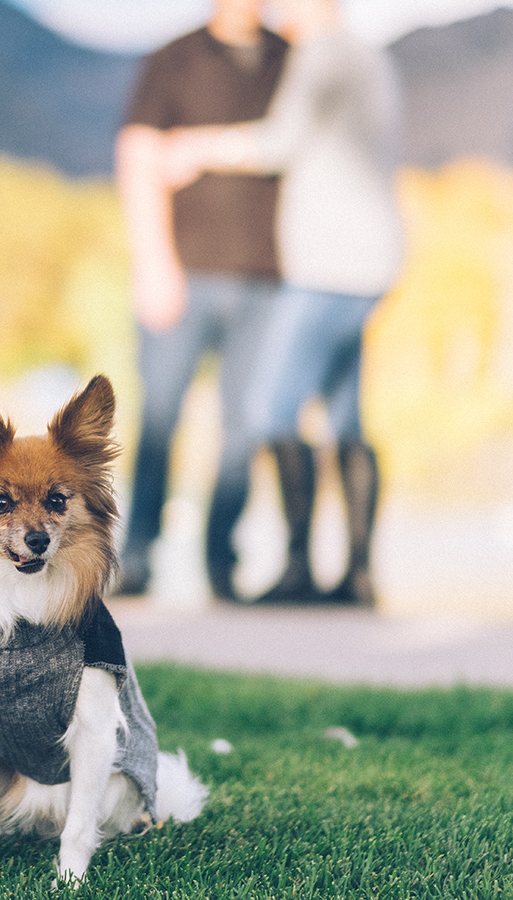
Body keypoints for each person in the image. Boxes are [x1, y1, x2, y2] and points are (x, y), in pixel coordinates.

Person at [162, 0, 405, 605]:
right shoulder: (372, 57)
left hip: (330, 264)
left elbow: (281, 141)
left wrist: (195, 148)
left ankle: (299, 570)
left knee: (271, 408)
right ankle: (357, 576)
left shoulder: (322, 53)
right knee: (345, 416)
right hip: (373, 257)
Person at [115, 0, 289, 599]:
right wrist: (153, 265)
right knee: (160, 418)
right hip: (184, 276)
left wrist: (199, 148)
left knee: (245, 429)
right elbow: (137, 158)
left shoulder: (290, 59)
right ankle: (136, 556)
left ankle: (223, 563)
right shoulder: (175, 58)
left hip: (270, 280)